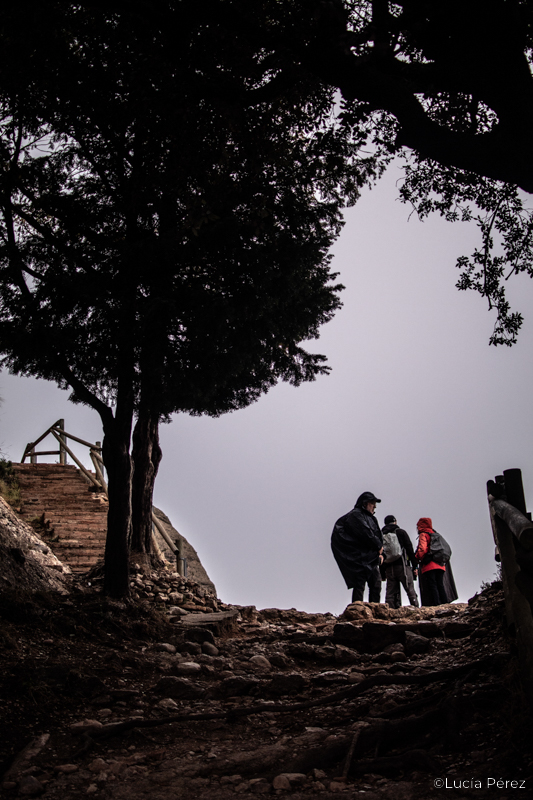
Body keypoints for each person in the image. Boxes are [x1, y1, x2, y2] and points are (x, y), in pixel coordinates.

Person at [331, 491, 384, 603]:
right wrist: (378, 546)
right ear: (365, 503)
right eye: (372, 503)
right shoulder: (356, 515)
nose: (374, 506)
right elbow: (366, 533)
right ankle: (357, 610)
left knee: (376, 584)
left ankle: (374, 609)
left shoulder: (372, 519)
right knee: (359, 585)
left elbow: (377, 536)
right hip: (360, 559)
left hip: (371, 558)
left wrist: (381, 553)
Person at [415, 517, 458, 606]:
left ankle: (436, 604)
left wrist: (417, 557)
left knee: (432, 585)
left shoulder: (423, 534)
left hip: (429, 566)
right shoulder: (435, 534)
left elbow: (422, 550)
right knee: (440, 585)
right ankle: (445, 603)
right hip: (440, 564)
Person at [381, 514, 419, 608]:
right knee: (409, 589)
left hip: (389, 568)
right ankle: (416, 608)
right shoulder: (400, 532)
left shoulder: (381, 534)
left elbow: (380, 553)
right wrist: (415, 566)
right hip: (402, 566)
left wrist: (382, 572)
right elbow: (409, 549)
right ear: (395, 521)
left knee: (390, 592)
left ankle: (391, 612)